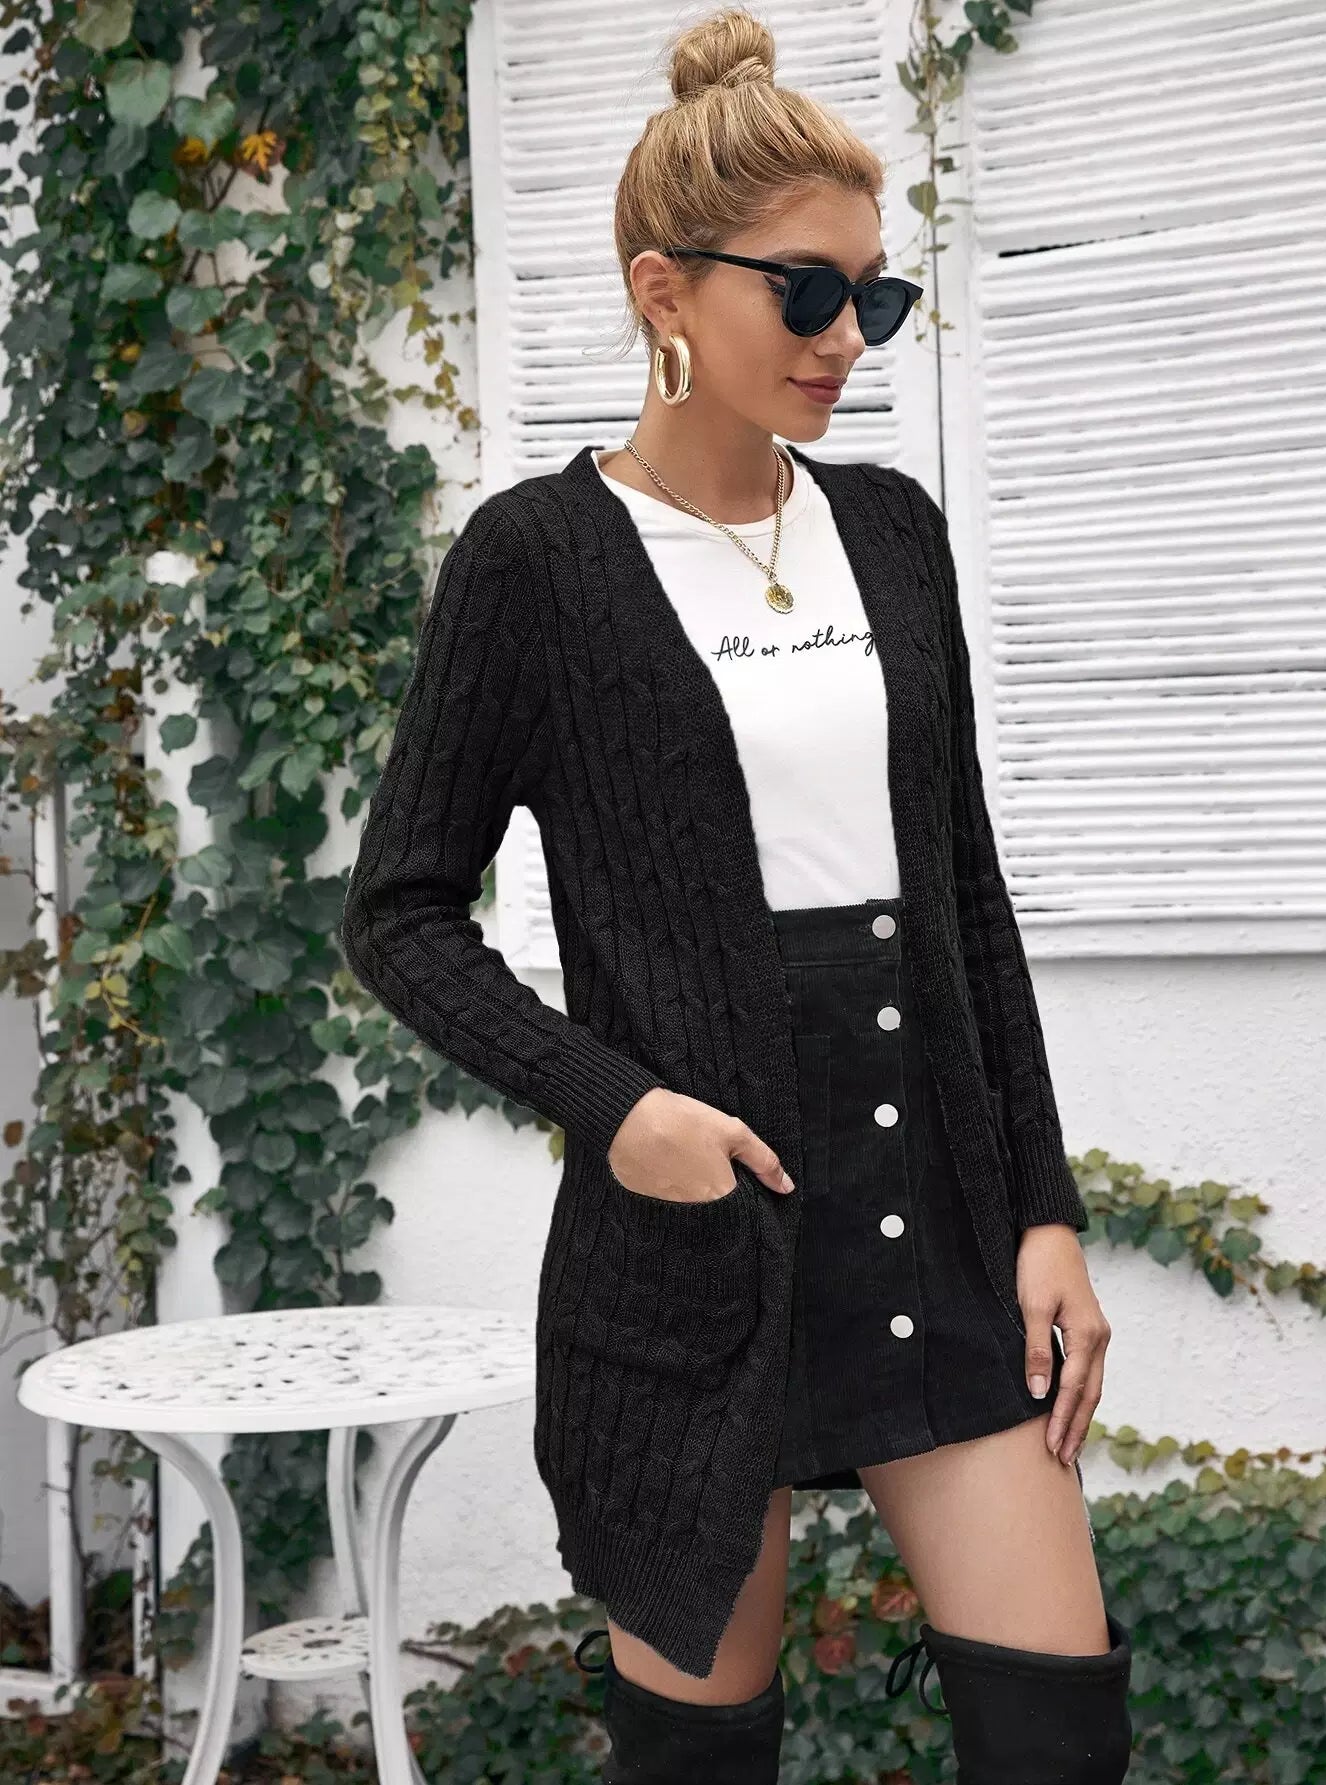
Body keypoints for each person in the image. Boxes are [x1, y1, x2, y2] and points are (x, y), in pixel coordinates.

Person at [340, 7, 1133, 1781]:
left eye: (876, 296)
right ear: (664, 292)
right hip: (695, 1248)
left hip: (937, 1210)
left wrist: (1045, 1210)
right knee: (699, 1760)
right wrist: (616, 1108)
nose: (848, 337)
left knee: (1059, 1731)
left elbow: (967, 898)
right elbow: (399, 910)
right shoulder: (537, 565)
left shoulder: (895, 535)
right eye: (807, 293)